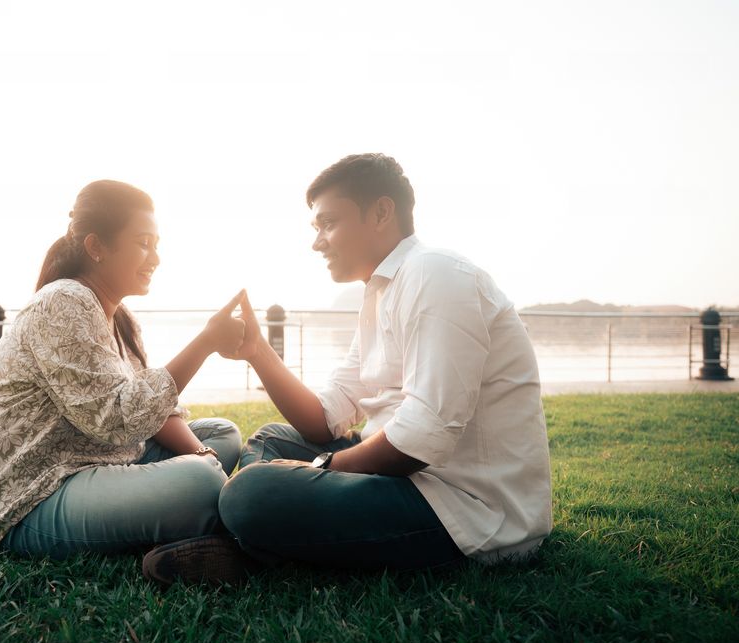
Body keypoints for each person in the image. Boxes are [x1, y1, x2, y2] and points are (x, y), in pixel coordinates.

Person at [142, 154, 552, 584]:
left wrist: (322, 468)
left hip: (464, 510)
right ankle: (253, 540)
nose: (317, 241)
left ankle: (249, 541)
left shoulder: (437, 275)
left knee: (250, 492)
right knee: (272, 439)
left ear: (380, 212)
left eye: (328, 223)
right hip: (404, 479)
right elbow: (322, 419)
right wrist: (259, 351)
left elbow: (421, 437)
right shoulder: (381, 294)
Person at [0, 179, 248, 561]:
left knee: (220, 436)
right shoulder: (64, 302)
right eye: (143, 243)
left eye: (156, 245)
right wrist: (205, 343)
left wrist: (202, 452)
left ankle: (172, 524)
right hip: (34, 494)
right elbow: (118, 417)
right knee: (202, 482)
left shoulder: (119, 318)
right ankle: (184, 521)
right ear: (96, 247)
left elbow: (153, 411)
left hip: (101, 459)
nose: (155, 258)